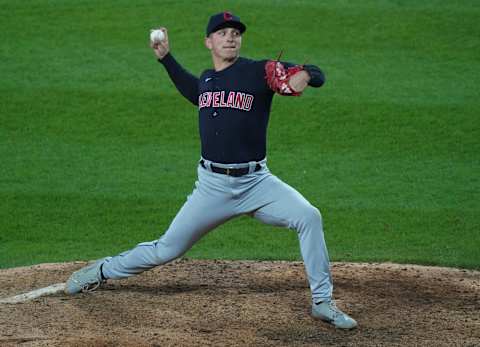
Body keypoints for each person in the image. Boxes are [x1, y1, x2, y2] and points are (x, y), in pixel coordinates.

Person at [64, 11, 357, 329]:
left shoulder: (259, 71)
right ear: (209, 42)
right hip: (212, 188)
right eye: (222, 33)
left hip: (257, 183)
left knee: (308, 216)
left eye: (235, 32)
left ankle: (322, 302)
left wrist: (307, 75)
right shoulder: (207, 79)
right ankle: (102, 271)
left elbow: (311, 75)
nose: (230, 37)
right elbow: (195, 92)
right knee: (166, 249)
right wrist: (165, 58)